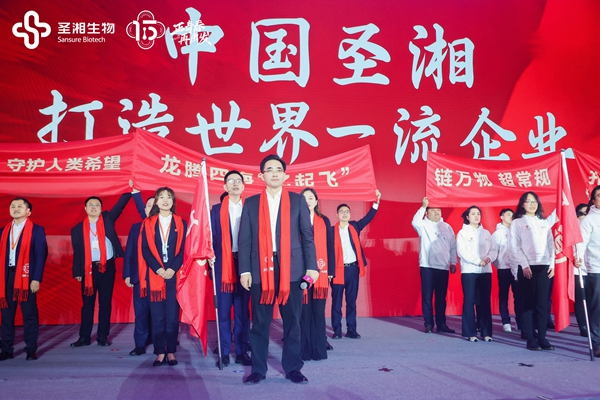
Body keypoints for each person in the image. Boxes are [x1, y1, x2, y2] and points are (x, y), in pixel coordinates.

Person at [238, 154, 318, 385]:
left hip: (292, 269)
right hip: (260, 269)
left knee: (293, 322)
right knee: (260, 323)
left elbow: (307, 236)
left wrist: (312, 267)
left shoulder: (297, 200)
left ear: (285, 175)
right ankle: (258, 369)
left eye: (278, 170)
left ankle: (293, 368)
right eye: (269, 170)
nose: (274, 173)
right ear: (261, 175)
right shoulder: (251, 203)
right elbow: (244, 239)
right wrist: (245, 270)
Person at [70, 186, 134, 347]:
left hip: (107, 267)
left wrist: (129, 189)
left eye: (97, 205)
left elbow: (119, 206)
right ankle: (84, 337)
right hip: (88, 270)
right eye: (90, 205)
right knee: (87, 305)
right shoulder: (77, 229)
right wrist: (77, 271)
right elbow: (77, 251)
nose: (94, 207)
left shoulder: (107, 219)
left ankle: (102, 336)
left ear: (101, 208)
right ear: (85, 208)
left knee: (105, 303)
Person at [140, 187, 187, 366]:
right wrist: (159, 269)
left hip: (174, 275)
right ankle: (160, 352)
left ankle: (171, 352)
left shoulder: (180, 222)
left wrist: (172, 269)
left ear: (173, 201)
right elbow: (145, 249)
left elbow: (184, 249)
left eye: (169, 197)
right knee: (158, 317)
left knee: (172, 317)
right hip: (156, 275)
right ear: (156, 201)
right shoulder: (148, 223)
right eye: (161, 197)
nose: (165, 200)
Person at [210, 171, 252, 367]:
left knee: (243, 313)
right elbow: (210, 237)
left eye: (239, 181)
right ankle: (224, 351)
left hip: (244, 265)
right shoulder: (216, 210)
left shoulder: (250, 208)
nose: (235, 184)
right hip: (223, 266)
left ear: (243, 186)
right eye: (231, 181)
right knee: (224, 312)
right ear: (225, 186)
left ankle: (242, 351)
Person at [0, 198, 48, 361]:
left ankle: (30, 349)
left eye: (20, 206)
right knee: (6, 316)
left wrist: (36, 279)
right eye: (13, 206)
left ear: (28, 212)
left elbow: (41, 256)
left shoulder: (36, 230)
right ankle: (6, 350)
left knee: (29, 314)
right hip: (6, 277)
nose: (15, 208)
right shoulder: (3, 231)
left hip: (26, 277)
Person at [330, 190, 381, 340]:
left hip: (352, 269)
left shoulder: (355, 227)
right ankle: (337, 330)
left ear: (350, 214)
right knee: (336, 302)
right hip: (337, 270)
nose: (344, 214)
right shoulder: (331, 231)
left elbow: (368, 218)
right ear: (337, 215)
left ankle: (351, 329)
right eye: (342, 211)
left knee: (351, 301)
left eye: (347, 211)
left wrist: (376, 203)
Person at [509, 191, 555, 351]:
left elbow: (551, 245)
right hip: (527, 268)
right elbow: (514, 247)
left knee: (542, 305)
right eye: (529, 201)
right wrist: (524, 265)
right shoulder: (517, 223)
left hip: (544, 267)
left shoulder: (543, 222)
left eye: (535, 201)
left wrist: (552, 264)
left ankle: (542, 338)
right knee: (528, 304)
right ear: (522, 204)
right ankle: (530, 338)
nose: (532, 204)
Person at [411, 197, 457, 334]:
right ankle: (429, 324)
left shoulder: (447, 227)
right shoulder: (423, 225)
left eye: (438, 210)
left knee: (441, 298)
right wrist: (423, 206)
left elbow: (453, 246)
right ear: (427, 213)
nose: (437, 213)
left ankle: (441, 324)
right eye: (433, 210)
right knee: (427, 296)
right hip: (427, 266)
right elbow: (414, 222)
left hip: (443, 267)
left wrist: (453, 262)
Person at [299, 188, 335, 360]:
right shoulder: (295, 220)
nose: (308, 201)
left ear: (316, 201)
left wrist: (331, 271)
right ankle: (305, 351)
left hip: (322, 272)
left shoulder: (324, 220)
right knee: (304, 314)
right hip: (301, 271)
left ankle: (319, 350)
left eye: (311, 198)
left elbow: (330, 246)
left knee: (318, 313)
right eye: (304, 198)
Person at [457, 206, 498, 342]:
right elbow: (462, 251)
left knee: (484, 302)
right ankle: (471, 332)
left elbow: (494, 249)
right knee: (469, 301)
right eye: (473, 214)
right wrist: (477, 261)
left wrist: (488, 259)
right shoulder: (462, 233)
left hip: (485, 270)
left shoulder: (486, 233)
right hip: (469, 271)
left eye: (478, 214)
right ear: (467, 217)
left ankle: (486, 332)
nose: (476, 216)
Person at [123, 191, 155, 356]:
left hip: (159, 278)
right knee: (141, 313)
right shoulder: (137, 227)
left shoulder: (165, 227)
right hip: (139, 278)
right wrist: (128, 274)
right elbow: (129, 252)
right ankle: (140, 345)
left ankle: (159, 343)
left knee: (158, 314)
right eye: (148, 205)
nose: (151, 208)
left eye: (154, 205)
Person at [576, 186, 600, 357]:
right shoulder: (589, 220)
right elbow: (581, 242)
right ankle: (597, 342)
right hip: (597, 268)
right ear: (593, 200)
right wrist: (578, 257)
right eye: (599, 195)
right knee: (598, 308)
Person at [491, 208, 522, 333]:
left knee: (519, 296)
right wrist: (499, 265)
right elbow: (493, 252)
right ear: (501, 217)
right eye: (508, 214)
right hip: (504, 269)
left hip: (517, 268)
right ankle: (506, 321)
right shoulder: (497, 234)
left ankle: (520, 322)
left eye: (512, 215)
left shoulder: (517, 232)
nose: (511, 216)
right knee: (503, 296)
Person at [574, 203, 589, 337]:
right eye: (580, 213)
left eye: (586, 213)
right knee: (581, 298)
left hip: (593, 268)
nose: (583, 216)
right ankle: (583, 326)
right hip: (578, 269)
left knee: (593, 299)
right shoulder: (573, 229)